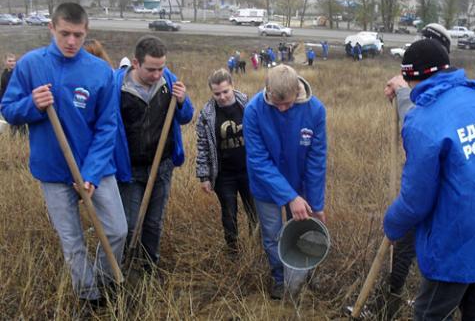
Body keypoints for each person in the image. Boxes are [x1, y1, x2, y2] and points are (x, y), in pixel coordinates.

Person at [383, 39, 475, 320]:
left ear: (411, 78)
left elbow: (415, 201)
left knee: (429, 313)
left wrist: (392, 225)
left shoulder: (422, 122)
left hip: (459, 234)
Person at [0, 3, 127, 308]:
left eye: (78, 35)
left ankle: (105, 279)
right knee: (72, 241)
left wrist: (92, 174)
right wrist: (32, 104)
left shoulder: (99, 71)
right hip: (53, 171)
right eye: (65, 33)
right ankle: (89, 296)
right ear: (52, 29)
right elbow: (8, 110)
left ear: (87, 33)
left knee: (117, 230)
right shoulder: (31, 65)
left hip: (95, 169)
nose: (71, 41)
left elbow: (108, 126)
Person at [378, 22, 452, 320]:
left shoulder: (443, 94)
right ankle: (393, 292)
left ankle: (406, 296)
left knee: (411, 237)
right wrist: (400, 89)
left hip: (436, 188)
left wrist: (404, 93)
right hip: (427, 178)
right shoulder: (442, 82)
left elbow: (422, 122)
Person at [243, 64, 327, 300]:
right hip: (265, 186)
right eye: (276, 103)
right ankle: (279, 278)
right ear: (267, 90)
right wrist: (289, 197)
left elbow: (316, 161)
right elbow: (258, 161)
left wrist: (316, 204)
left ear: (298, 91)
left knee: (303, 230)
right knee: (271, 234)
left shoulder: (315, 110)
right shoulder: (253, 111)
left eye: (288, 104)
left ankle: (304, 274)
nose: (281, 109)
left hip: (300, 183)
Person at [114, 35, 194, 271]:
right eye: (151, 69)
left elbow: (186, 115)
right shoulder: (118, 87)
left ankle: (150, 267)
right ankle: (124, 266)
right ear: (136, 64)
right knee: (128, 225)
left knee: (154, 223)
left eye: (161, 68)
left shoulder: (169, 81)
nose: (157, 74)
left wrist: (181, 101)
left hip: (162, 166)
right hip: (131, 170)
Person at [196, 68, 258, 256]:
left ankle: (257, 248)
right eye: (217, 93)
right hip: (224, 175)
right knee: (229, 213)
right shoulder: (206, 115)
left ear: (232, 86)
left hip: (249, 170)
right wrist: (204, 176)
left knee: (254, 211)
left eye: (225, 91)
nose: (222, 97)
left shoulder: (249, 105)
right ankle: (233, 251)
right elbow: (203, 146)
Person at [1, 53, 27, 136]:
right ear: (5, 62)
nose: (12, 63)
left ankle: (23, 144)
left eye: (14, 61)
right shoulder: (4, 75)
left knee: (22, 129)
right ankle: (13, 145)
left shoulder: (18, 73)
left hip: (19, 103)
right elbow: (3, 90)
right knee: (13, 129)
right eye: (10, 61)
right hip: (10, 105)